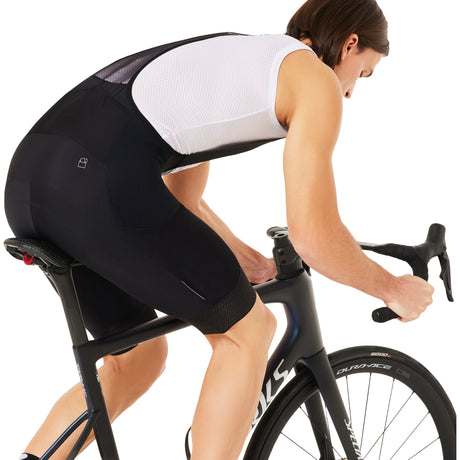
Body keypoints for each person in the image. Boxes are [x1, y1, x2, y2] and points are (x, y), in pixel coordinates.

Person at [4, 0, 434, 458]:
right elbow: (313, 236)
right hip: (96, 181)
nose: (349, 92)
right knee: (247, 332)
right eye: (362, 74)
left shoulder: (237, 59)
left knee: (136, 361)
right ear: (350, 44)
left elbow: (182, 201)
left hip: (32, 178)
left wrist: (250, 261)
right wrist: (392, 289)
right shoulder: (316, 80)